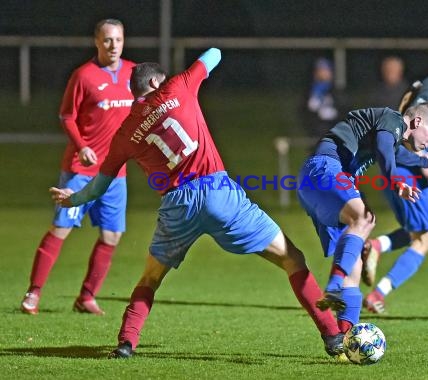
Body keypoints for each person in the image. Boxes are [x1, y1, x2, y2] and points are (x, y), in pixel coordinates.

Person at [49, 48, 346, 360]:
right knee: (292, 259)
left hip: (178, 206)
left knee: (150, 278)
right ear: (154, 82)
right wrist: (195, 68)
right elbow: (214, 53)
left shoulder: (125, 133)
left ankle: (126, 343)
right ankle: (332, 336)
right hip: (218, 193)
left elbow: (99, 184)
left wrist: (74, 197)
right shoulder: (177, 87)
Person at [20, 19, 135, 316]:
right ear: (96, 41)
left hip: (114, 173)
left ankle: (86, 297)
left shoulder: (133, 74)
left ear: (124, 41)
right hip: (80, 171)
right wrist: (82, 145)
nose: (113, 46)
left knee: (112, 236)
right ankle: (33, 293)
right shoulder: (84, 76)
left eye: (118, 40)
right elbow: (66, 116)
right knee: (61, 229)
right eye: (107, 40)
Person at [297, 103, 428, 333]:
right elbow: (386, 149)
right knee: (365, 218)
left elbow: (399, 154)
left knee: (354, 265)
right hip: (325, 168)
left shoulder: (392, 136)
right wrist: (395, 181)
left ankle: (344, 339)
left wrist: (425, 161)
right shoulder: (391, 119)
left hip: (316, 183)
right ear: (416, 123)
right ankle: (334, 284)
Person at [362, 38, 428, 314]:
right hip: (408, 169)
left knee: (417, 234)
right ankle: (377, 295)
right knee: (425, 240)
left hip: (397, 167)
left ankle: (376, 246)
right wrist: (426, 165)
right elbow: (410, 130)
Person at [301, 58, 346, 139]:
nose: (323, 73)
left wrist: (335, 114)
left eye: (325, 70)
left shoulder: (336, 91)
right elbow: (304, 112)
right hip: (316, 132)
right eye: (320, 71)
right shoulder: (310, 92)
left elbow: (344, 109)